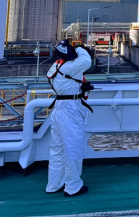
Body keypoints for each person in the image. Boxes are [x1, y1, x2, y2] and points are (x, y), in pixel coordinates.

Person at [46, 40, 92, 196]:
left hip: (59, 108)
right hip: (70, 110)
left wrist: (80, 87)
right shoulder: (69, 67)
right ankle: (73, 187)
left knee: (57, 150)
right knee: (73, 147)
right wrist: (79, 47)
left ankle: (54, 184)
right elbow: (87, 61)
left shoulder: (56, 66)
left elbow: (65, 83)